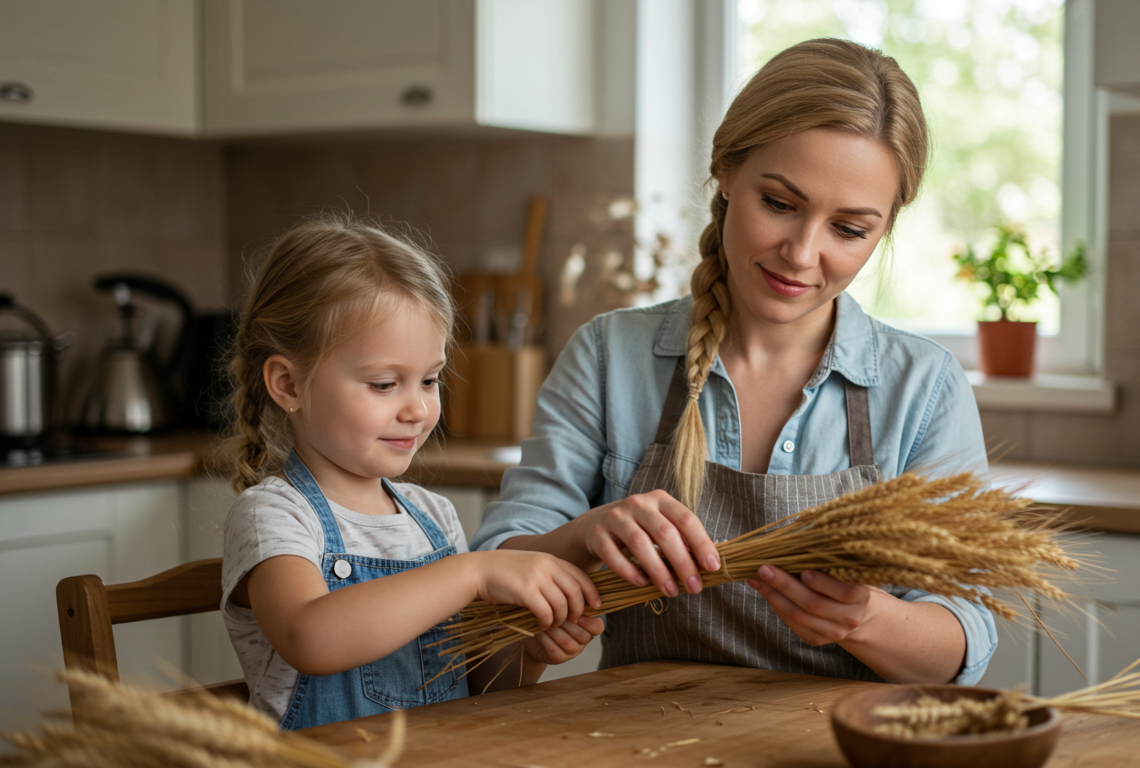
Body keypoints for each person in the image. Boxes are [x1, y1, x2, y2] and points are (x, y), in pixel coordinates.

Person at [472, 38, 995, 685]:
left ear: (884, 228)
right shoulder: (609, 355)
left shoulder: (925, 388)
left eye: (849, 229)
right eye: (779, 204)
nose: (802, 254)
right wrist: (583, 537)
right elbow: (493, 568)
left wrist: (863, 618)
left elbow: (963, 636)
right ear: (725, 168)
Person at [219, 213, 604, 730]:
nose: (417, 409)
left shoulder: (432, 516)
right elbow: (310, 637)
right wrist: (472, 573)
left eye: (429, 380)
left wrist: (527, 651)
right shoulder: (274, 515)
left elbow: (471, 686)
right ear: (288, 384)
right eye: (384, 384)